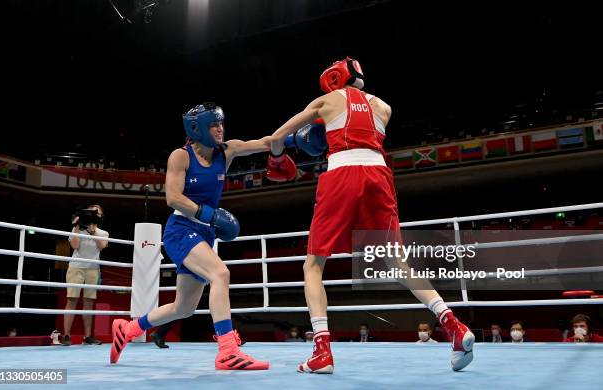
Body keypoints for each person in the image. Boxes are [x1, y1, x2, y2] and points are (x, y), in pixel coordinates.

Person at [267, 57, 474, 374]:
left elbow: (277, 136)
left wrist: (280, 155)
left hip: (342, 174)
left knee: (313, 264)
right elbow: (358, 126)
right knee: (397, 262)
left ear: (334, 79)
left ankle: (322, 351)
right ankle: (453, 324)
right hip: (378, 174)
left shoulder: (326, 100)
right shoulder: (384, 107)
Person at [110, 103, 270, 370]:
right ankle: (228, 351)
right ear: (197, 129)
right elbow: (172, 197)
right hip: (181, 230)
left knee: (183, 307)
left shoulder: (226, 151)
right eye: (213, 124)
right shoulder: (180, 156)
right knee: (221, 274)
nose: (220, 129)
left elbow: (266, 142)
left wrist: (295, 136)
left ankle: (128, 329)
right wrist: (207, 214)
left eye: (221, 123)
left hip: (204, 234)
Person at [63, 204, 107, 346]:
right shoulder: (77, 230)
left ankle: (87, 337)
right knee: (72, 300)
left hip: (93, 269)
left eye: (98, 213)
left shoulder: (103, 233)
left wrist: (93, 232)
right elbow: (75, 246)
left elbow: (102, 246)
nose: (95, 215)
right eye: (92, 212)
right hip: (76, 267)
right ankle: (66, 335)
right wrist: (77, 226)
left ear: (101, 217)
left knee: (88, 303)